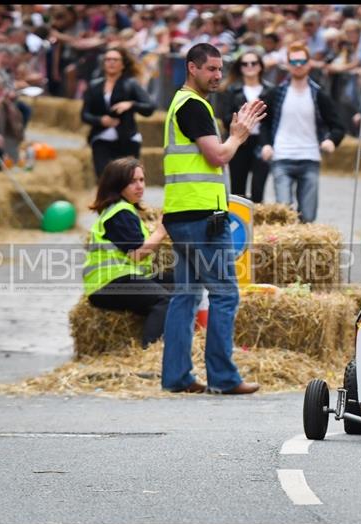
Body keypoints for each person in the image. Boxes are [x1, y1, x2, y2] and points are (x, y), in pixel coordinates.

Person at [160, 43, 266, 395]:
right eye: (211, 69)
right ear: (192, 68)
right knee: (224, 295)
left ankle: (177, 377)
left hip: (182, 214)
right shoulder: (193, 106)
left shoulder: (182, 103)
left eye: (221, 69)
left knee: (186, 295)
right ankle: (223, 378)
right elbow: (218, 156)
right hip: (201, 218)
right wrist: (238, 136)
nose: (218, 75)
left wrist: (233, 135)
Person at [83, 157, 171, 349]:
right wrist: (161, 231)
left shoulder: (124, 210)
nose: (140, 186)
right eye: (132, 181)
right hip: (109, 284)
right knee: (162, 300)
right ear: (117, 185)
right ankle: (150, 353)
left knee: (180, 280)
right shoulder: (120, 213)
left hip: (124, 279)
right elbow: (137, 254)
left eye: (141, 180)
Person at [260, 41, 346, 223]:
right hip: (282, 157)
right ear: (288, 65)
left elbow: (338, 125)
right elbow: (264, 123)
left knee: (308, 216)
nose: (298, 66)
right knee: (283, 214)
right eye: (294, 62)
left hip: (310, 158)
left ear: (308, 63)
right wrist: (266, 144)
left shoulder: (319, 95)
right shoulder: (275, 93)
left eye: (302, 62)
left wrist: (331, 140)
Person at [81, 46, 155, 179]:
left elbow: (150, 107)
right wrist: (100, 120)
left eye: (115, 60)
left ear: (122, 64)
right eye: (108, 59)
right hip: (101, 138)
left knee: (127, 180)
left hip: (127, 138)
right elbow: (85, 114)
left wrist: (131, 104)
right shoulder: (95, 85)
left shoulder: (130, 84)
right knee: (104, 179)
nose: (111, 63)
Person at [219, 50, 273, 203]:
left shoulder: (270, 91)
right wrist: (244, 116)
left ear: (260, 67)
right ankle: (240, 225)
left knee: (258, 188)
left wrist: (269, 143)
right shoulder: (231, 90)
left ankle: (256, 222)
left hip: (261, 142)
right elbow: (225, 118)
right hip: (239, 142)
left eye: (253, 63)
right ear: (240, 67)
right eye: (245, 64)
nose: (249, 66)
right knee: (237, 189)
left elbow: (272, 121)